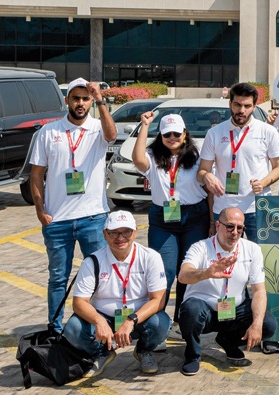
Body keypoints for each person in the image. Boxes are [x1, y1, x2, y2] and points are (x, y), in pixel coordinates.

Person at [29, 78, 118, 333]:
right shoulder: (49, 132)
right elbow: (37, 175)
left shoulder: (98, 128)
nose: (80, 103)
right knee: (58, 279)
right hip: (57, 221)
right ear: (67, 100)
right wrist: (40, 211)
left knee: (101, 278)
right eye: (76, 98)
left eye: (85, 99)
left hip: (93, 219)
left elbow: (112, 136)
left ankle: (100, 327)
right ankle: (55, 330)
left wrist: (100, 98)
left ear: (91, 101)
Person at [131, 112, 210, 341]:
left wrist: (213, 222)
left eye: (177, 133)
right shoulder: (153, 156)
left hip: (194, 216)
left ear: (185, 134)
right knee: (162, 272)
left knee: (187, 271)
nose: (172, 137)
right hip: (162, 218)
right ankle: (158, 324)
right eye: (167, 134)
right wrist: (144, 125)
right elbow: (137, 160)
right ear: (161, 136)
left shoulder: (197, 158)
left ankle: (179, 322)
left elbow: (207, 188)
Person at [64, 211, 169, 377]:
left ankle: (143, 351)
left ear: (135, 232)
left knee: (162, 323)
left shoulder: (151, 258)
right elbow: (78, 303)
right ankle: (102, 352)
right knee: (72, 329)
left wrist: (131, 320)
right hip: (104, 316)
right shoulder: (92, 261)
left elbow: (158, 301)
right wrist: (98, 320)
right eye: (114, 232)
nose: (120, 238)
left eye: (126, 232)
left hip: (137, 318)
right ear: (105, 234)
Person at [177, 207, 278, 376]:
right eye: (230, 226)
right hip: (205, 310)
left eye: (240, 228)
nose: (235, 232)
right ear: (218, 225)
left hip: (232, 310)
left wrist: (257, 324)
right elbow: (183, 276)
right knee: (191, 309)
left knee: (268, 324)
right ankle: (193, 354)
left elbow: (259, 291)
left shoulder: (252, 249)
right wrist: (206, 273)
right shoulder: (200, 247)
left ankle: (228, 340)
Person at [196, 83, 279, 242]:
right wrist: (207, 177)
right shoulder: (214, 133)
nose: (241, 110)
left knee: (258, 260)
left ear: (254, 106)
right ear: (230, 104)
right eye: (237, 105)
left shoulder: (268, 131)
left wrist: (263, 183)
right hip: (224, 209)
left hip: (257, 208)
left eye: (247, 106)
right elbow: (202, 171)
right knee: (223, 260)